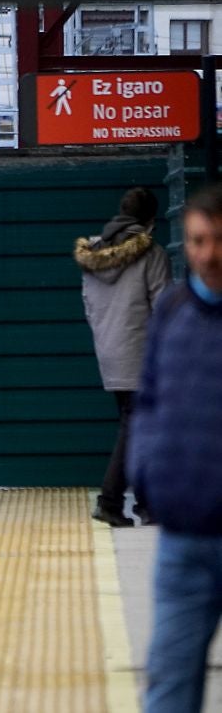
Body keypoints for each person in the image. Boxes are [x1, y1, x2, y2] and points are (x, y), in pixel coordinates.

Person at [131, 183, 222, 713]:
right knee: (168, 682)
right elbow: (149, 398)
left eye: (219, 240)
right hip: (183, 536)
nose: (209, 254)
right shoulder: (172, 309)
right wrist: (148, 476)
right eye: (198, 241)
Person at [74, 186, 171, 528]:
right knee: (137, 428)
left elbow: (89, 305)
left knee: (136, 427)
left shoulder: (93, 255)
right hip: (143, 355)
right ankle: (110, 501)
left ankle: (147, 505)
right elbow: (164, 309)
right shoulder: (152, 254)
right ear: (150, 219)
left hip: (110, 351)